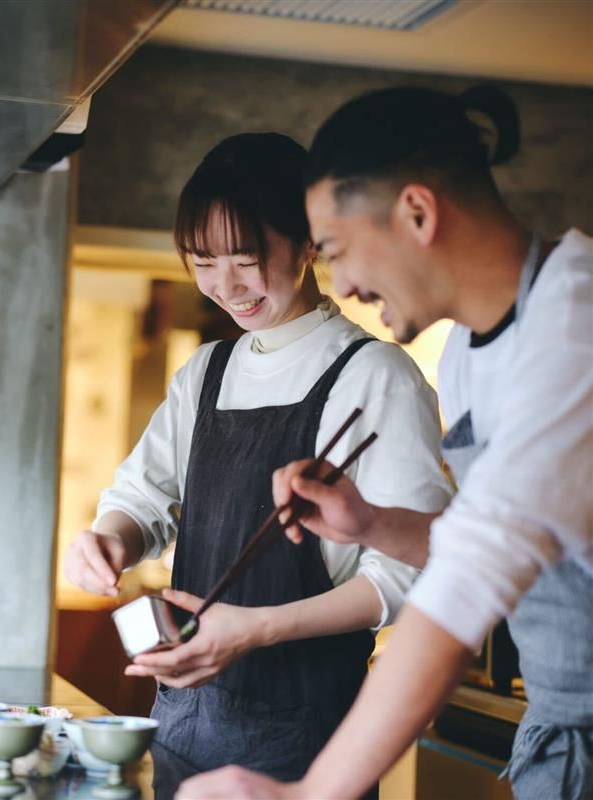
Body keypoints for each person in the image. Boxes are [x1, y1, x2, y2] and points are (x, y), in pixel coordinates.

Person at [177, 87, 592, 800]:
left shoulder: (574, 328)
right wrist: (369, 525)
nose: (344, 285)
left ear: (418, 213)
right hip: (560, 729)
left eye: (335, 250)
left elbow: (472, 578)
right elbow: (488, 540)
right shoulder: (466, 350)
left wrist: (310, 793)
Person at [63, 132, 452, 800]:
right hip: (182, 720)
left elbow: (416, 572)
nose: (225, 286)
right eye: (202, 262)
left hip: (306, 736)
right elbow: (144, 496)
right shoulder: (205, 372)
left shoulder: (376, 377)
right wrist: (111, 539)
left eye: (245, 258)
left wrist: (257, 630)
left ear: (307, 243)